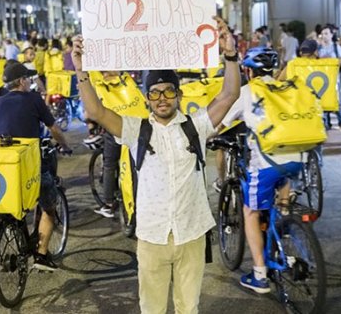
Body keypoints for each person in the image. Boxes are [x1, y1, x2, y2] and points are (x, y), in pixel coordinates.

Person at [71, 16, 240, 314]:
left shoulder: (195, 126)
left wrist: (230, 54)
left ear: (179, 94)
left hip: (192, 233)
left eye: (168, 91)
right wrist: (81, 71)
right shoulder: (135, 130)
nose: (162, 98)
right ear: (147, 98)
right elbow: (96, 111)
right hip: (152, 237)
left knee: (189, 308)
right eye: (155, 93)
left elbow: (229, 95)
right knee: (152, 309)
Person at [223, 47, 303, 294]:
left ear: (248, 70)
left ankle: (259, 275)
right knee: (281, 205)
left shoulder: (247, 92)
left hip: (267, 163)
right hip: (296, 157)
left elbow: (223, 120)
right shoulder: (287, 87)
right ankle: (285, 243)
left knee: (250, 212)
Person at [0, 61, 72, 271]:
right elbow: (53, 128)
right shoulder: (34, 99)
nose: (31, 83)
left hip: (6, 167)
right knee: (48, 208)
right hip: (31, 164)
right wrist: (65, 145)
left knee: (17, 206)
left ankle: (12, 228)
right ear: (22, 81)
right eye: (29, 79)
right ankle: (41, 256)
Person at [90, 71, 148, 218]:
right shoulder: (126, 78)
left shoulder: (98, 81)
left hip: (116, 127)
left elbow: (93, 111)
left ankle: (108, 203)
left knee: (109, 163)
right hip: (138, 122)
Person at [318, 25, 341, 130]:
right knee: (323, 100)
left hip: (335, 78)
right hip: (321, 79)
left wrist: (330, 61)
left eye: (326, 33)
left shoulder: (336, 47)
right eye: (323, 34)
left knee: (336, 100)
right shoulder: (318, 48)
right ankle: (326, 123)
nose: (324, 36)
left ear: (331, 35)